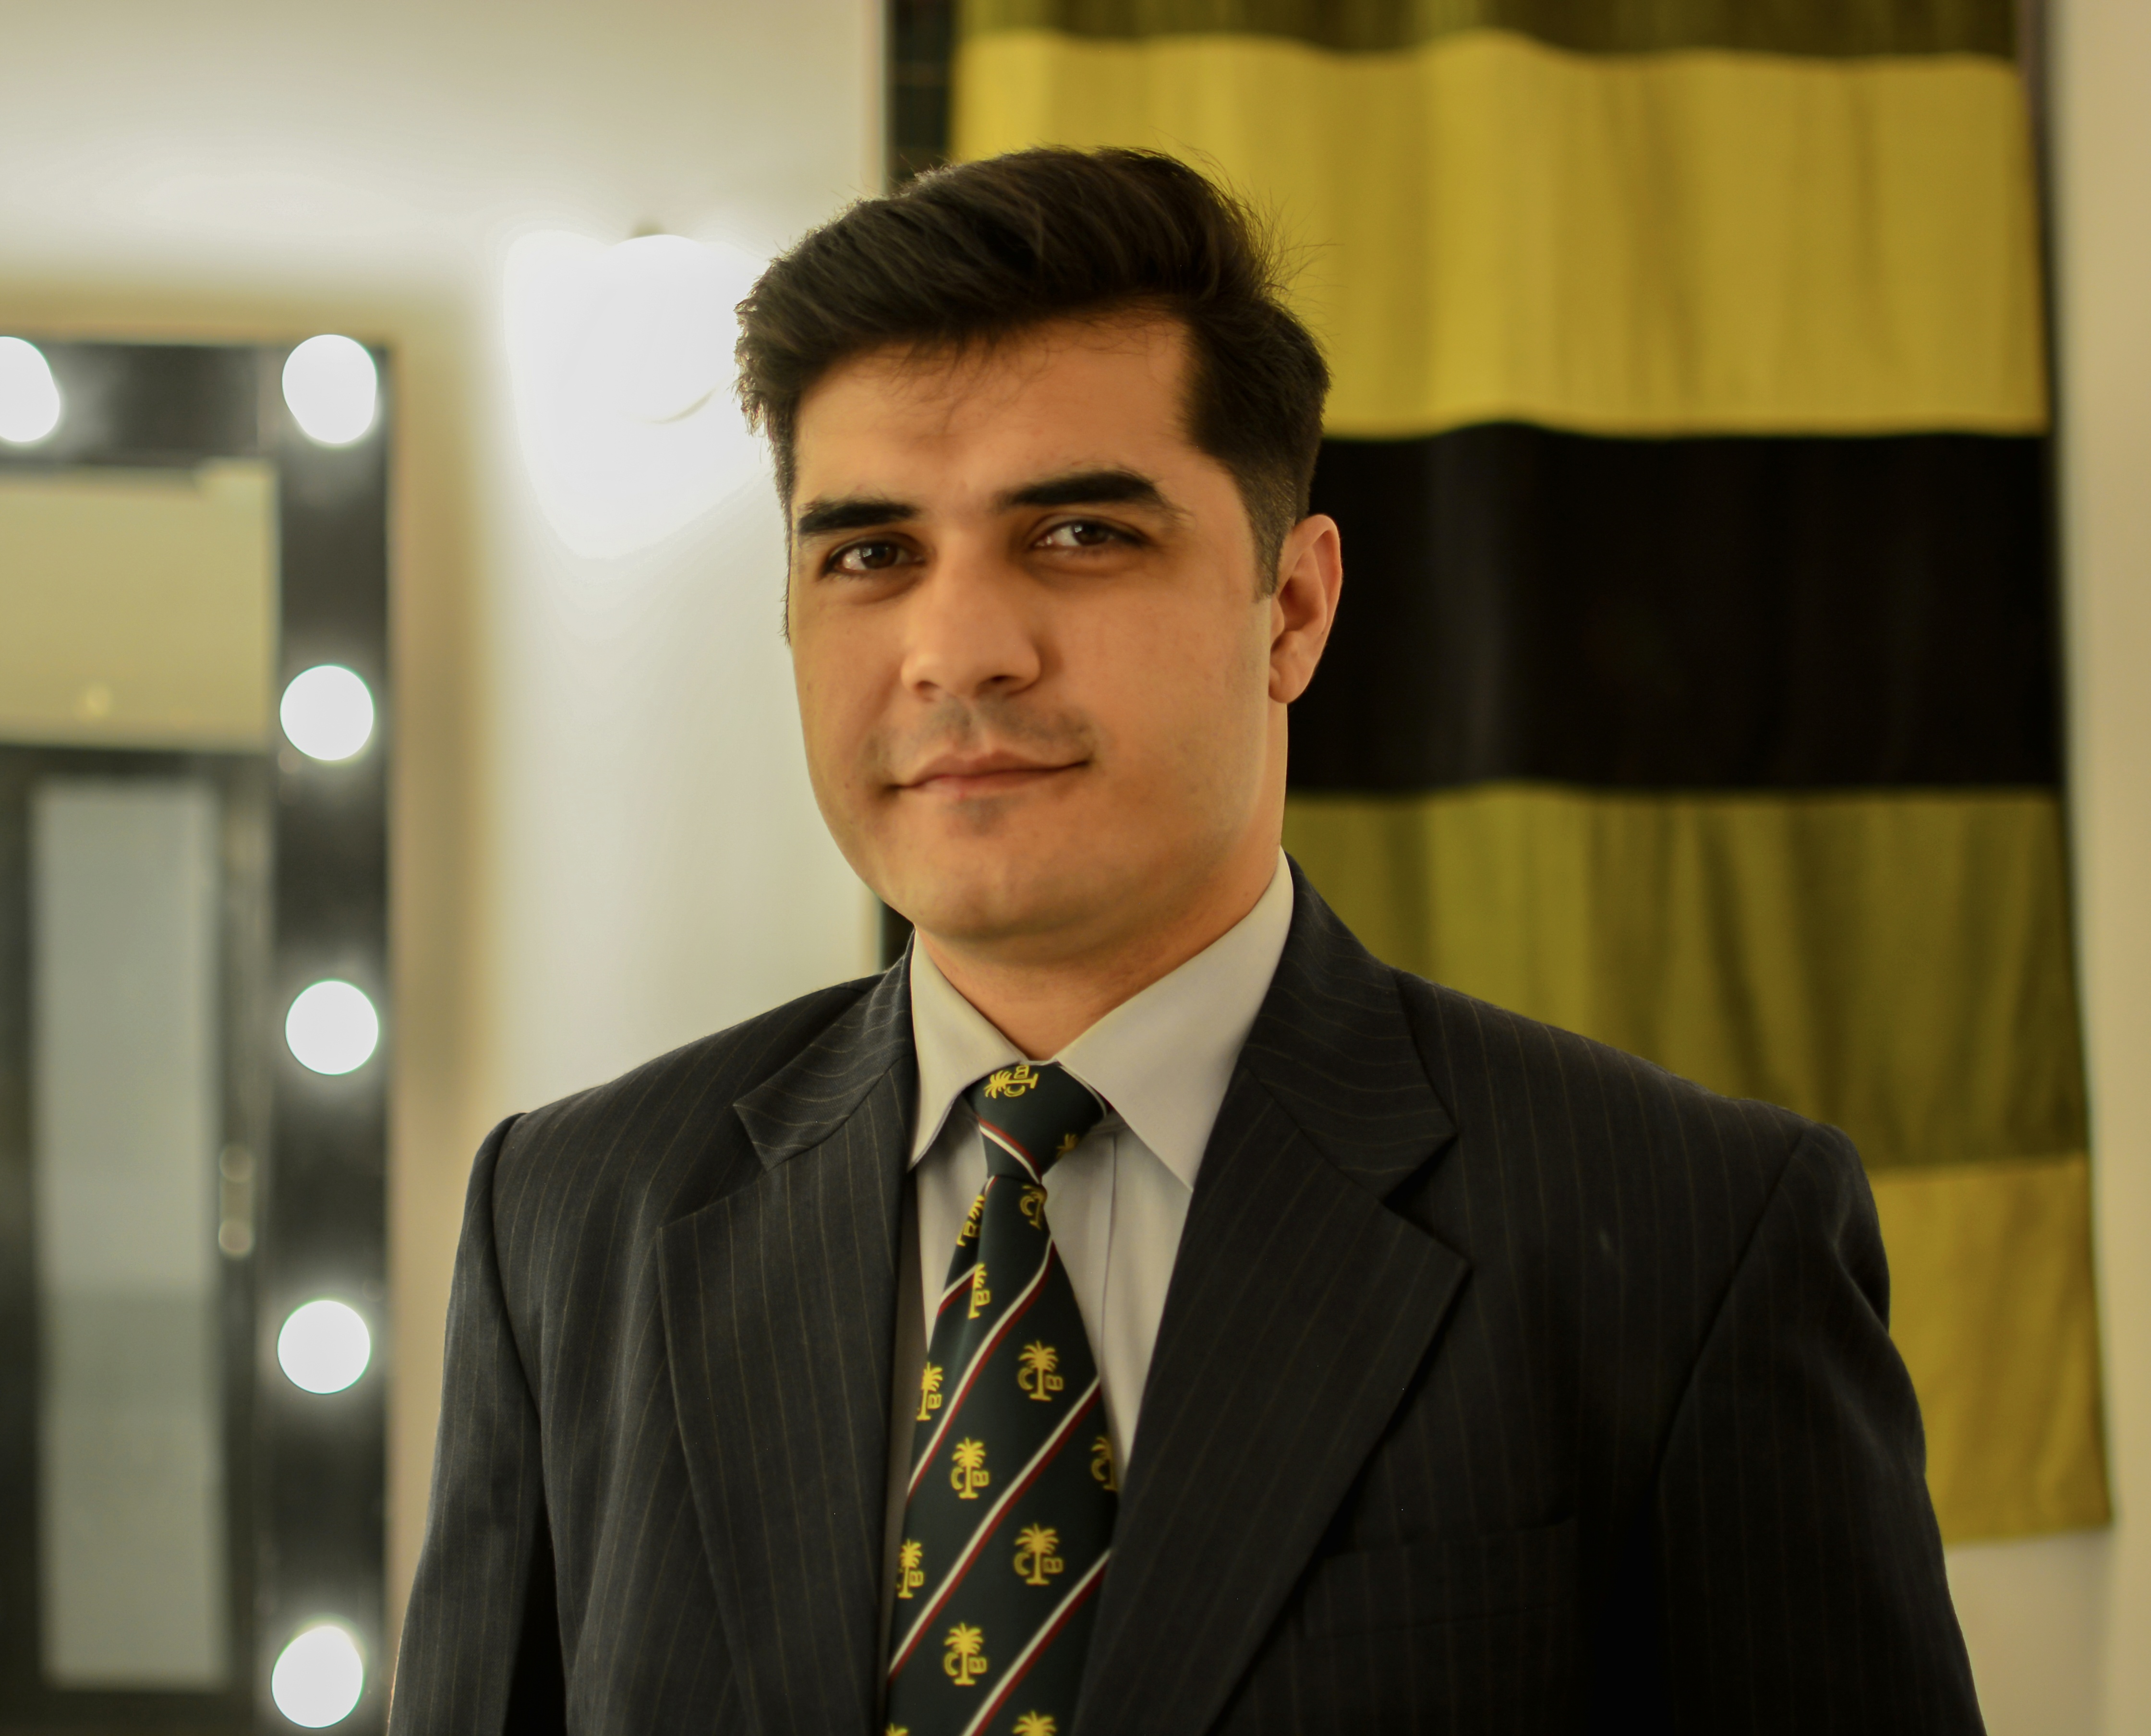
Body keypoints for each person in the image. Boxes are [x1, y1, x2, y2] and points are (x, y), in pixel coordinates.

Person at [390, 148, 1981, 1735]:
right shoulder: (575, 1218)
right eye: (870, 554)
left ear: (1293, 608)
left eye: (1080, 533)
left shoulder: (1694, 1236)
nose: (959, 653)